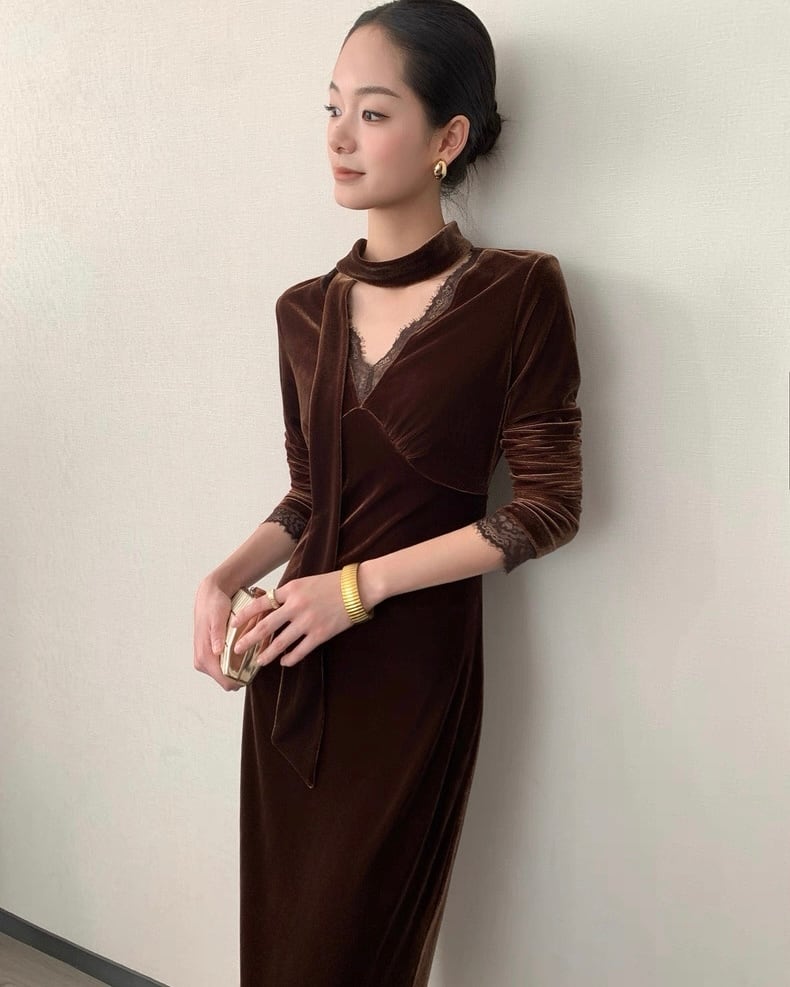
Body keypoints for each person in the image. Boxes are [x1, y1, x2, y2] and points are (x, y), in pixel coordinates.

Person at [192, 1, 583, 983]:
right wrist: (223, 578)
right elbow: (309, 494)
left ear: (447, 138)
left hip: (411, 680)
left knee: (362, 954)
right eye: (331, 107)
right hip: (291, 668)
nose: (338, 136)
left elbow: (545, 507)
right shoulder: (302, 311)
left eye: (372, 113)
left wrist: (354, 589)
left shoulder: (518, 292)